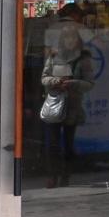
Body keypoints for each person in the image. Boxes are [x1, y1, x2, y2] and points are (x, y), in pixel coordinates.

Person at [40, 17, 94, 188]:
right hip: (55, 103)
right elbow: (44, 78)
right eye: (67, 38)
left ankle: (66, 175)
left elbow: (89, 83)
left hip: (72, 105)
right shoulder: (54, 56)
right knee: (52, 143)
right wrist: (55, 81)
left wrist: (73, 83)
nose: (70, 41)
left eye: (73, 37)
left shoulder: (84, 59)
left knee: (68, 143)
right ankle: (52, 175)